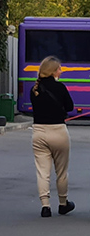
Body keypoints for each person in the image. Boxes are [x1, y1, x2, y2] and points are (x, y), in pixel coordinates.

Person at [31, 55, 75, 217]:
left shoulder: (34, 90)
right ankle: (63, 203)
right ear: (53, 71)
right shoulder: (60, 87)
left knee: (43, 172)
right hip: (58, 132)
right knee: (61, 171)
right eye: (59, 68)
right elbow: (70, 106)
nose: (61, 71)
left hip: (39, 133)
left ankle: (45, 206)